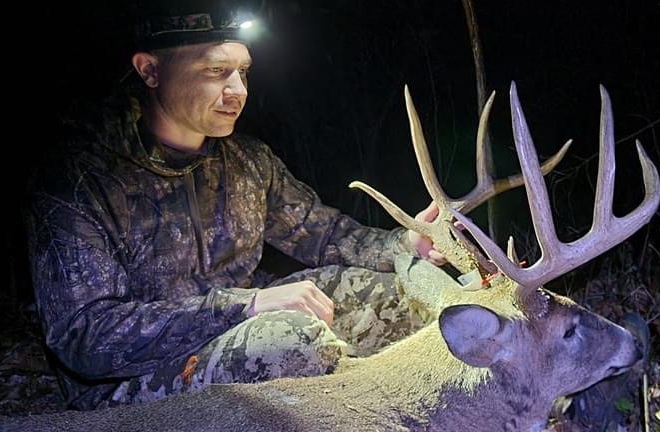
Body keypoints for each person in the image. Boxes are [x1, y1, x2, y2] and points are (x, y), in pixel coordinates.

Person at [25, 4, 445, 410]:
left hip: (244, 324)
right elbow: (86, 337)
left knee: (400, 295)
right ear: (150, 70)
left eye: (243, 71)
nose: (239, 91)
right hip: (130, 380)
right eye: (215, 71)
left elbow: (322, 233)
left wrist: (404, 245)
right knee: (292, 338)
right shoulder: (81, 181)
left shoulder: (246, 160)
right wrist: (246, 305)